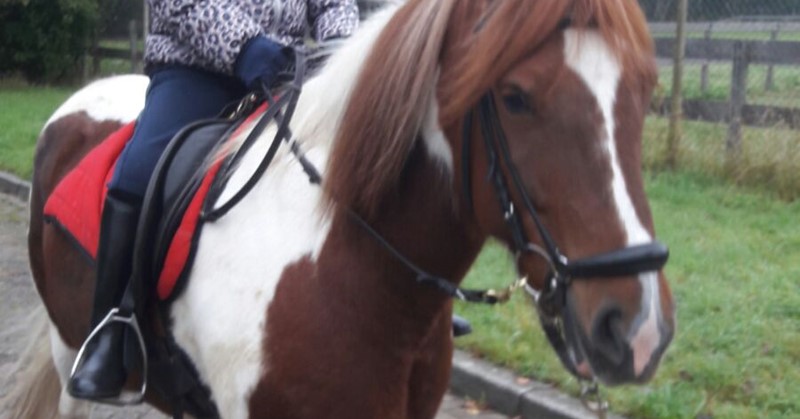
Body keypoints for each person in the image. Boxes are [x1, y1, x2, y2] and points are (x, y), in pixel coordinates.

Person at [68, 0, 360, 401]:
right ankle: (112, 331)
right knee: (138, 173)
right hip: (196, 70)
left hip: (289, 71)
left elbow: (333, 5)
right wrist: (246, 46)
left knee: (371, 153)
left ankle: (402, 298)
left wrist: (340, 49)